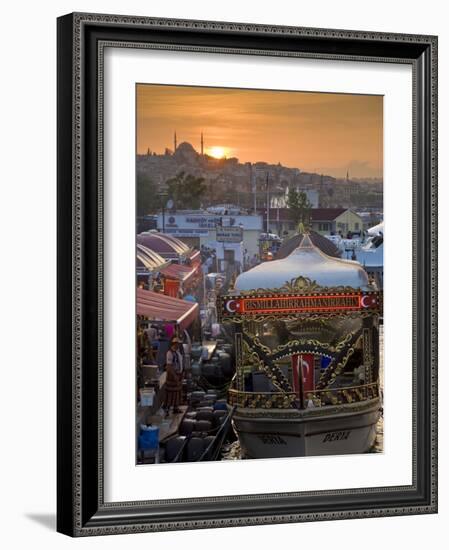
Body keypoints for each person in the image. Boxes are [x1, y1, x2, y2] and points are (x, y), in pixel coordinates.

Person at [163, 336, 184, 416]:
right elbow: (169, 366)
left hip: (178, 374)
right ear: (174, 343)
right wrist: (174, 376)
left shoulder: (177, 352)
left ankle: (176, 407)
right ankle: (167, 408)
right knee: (170, 392)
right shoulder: (169, 353)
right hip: (172, 375)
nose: (178, 345)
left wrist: (181, 372)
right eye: (177, 344)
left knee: (177, 392)